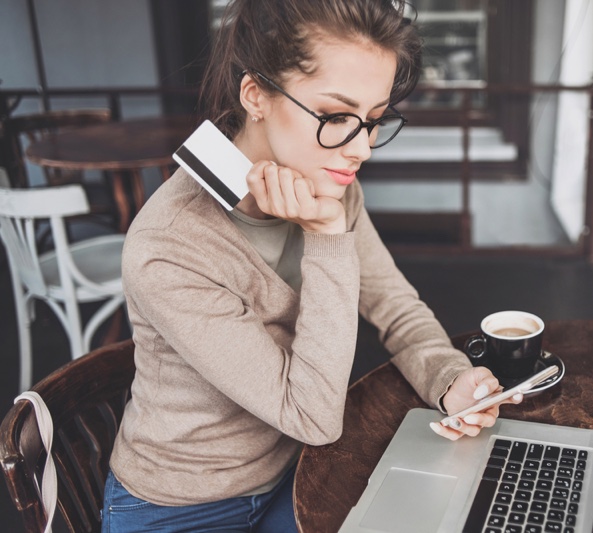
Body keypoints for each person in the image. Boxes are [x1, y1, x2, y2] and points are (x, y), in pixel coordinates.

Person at [102, 1, 521, 531]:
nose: (362, 149)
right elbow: (313, 417)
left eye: (373, 121)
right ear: (255, 95)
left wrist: (449, 377)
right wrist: (325, 237)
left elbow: (395, 306)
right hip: (182, 505)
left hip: (297, 472)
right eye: (336, 117)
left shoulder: (329, 183)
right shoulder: (171, 246)